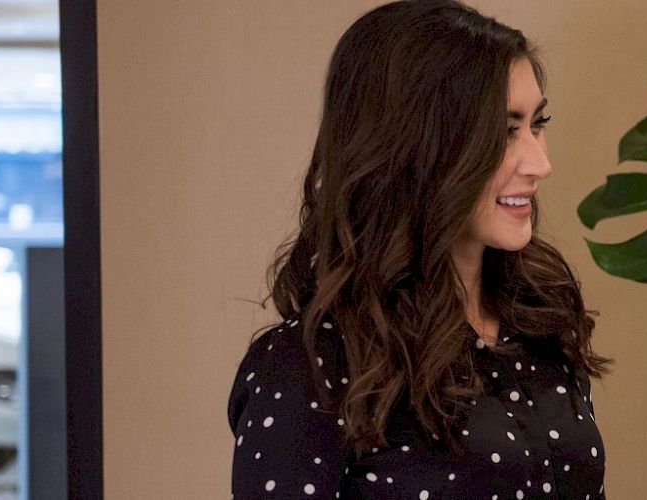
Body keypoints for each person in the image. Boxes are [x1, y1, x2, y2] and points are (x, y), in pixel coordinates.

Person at [227, 1, 611, 498]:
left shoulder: (540, 317)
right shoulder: (308, 367)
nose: (540, 163)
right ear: (415, 145)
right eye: (503, 131)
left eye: (537, 123)